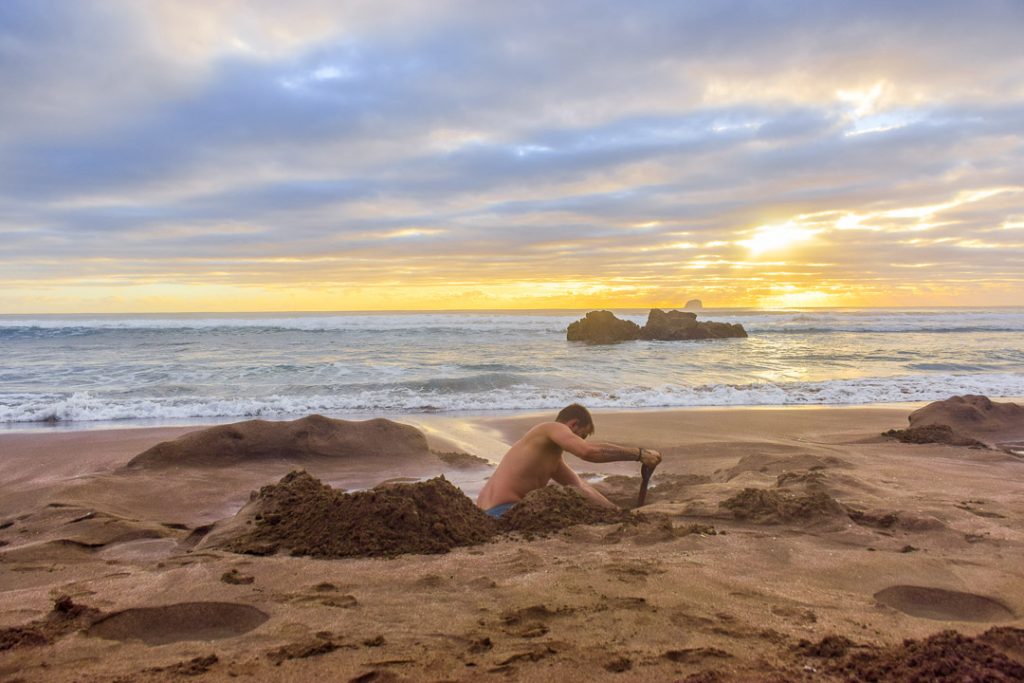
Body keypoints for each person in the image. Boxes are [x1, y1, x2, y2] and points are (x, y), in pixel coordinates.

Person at [475, 403, 662, 518]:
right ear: (572, 424)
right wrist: (639, 454)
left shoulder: (550, 458)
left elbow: (580, 485)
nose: (581, 440)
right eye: (582, 435)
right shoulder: (550, 428)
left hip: (482, 515)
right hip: (502, 511)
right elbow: (587, 452)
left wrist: (615, 511)